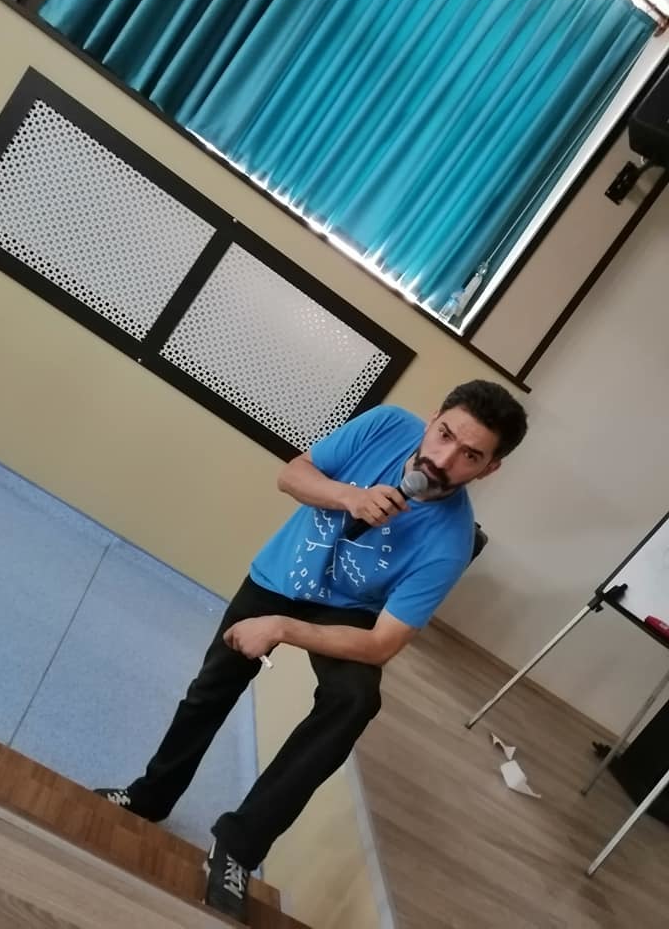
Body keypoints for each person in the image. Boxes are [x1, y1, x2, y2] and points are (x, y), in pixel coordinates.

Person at [95, 379, 527, 923]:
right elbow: (291, 475)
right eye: (444, 435)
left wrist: (281, 628)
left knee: (355, 700)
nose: (443, 460)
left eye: (470, 456)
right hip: (284, 574)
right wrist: (350, 496)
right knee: (211, 690)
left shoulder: (451, 541)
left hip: (350, 611)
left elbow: (383, 643)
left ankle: (238, 847)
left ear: (489, 469)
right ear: (433, 417)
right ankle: (150, 796)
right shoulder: (387, 425)